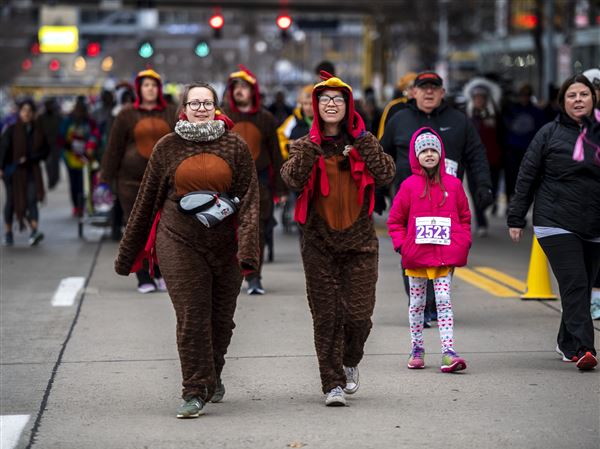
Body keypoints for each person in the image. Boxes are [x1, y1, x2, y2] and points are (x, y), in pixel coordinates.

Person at [114, 82, 260, 418]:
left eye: (206, 103)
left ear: (216, 106)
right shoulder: (167, 147)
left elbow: (250, 201)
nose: (201, 108)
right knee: (193, 316)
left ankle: (213, 372)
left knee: (221, 320)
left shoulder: (234, 145)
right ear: (184, 107)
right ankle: (194, 390)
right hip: (178, 240)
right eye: (194, 103)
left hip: (226, 244)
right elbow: (146, 201)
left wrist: (249, 251)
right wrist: (128, 256)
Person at [281, 71, 395, 407]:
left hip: (360, 245)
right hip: (319, 246)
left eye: (338, 99)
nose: (332, 104)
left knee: (359, 317)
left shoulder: (363, 140)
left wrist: (363, 141)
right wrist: (311, 149)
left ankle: (350, 360)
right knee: (326, 316)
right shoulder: (305, 143)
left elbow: (386, 173)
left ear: (348, 105)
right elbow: (292, 179)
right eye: (325, 100)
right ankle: (331, 382)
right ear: (316, 107)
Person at [380, 70, 493, 327]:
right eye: (423, 87)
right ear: (413, 92)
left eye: (434, 87)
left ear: (442, 92)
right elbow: (382, 156)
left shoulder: (459, 120)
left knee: (444, 252)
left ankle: (434, 303)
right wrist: (376, 192)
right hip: (410, 201)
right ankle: (419, 303)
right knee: (412, 252)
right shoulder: (399, 119)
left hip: (446, 202)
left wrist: (484, 186)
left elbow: (476, 154)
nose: (429, 91)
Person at [507, 74, 600, 371]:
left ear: (593, 99)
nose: (578, 100)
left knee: (583, 287)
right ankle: (586, 348)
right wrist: (516, 216)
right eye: (572, 95)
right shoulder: (549, 133)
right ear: (563, 102)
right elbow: (527, 176)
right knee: (575, 283)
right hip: (555, 220)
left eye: (584, 94)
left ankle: (566, 342)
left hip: (594, 222)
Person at [387, 128, 471, 372]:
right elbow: (395, 221)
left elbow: (465, 217)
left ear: (441, 153)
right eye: (424, 150)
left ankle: (448, 351)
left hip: (444, 256)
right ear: (416, 156)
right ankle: (417, 348)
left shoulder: (454, 185)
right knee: (417, 304)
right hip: (416, 257)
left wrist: (462, 241)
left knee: (444, 301)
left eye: (434, 149)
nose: (430, 154)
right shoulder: (409, 186)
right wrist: (403, 246)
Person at [100, 69, 177, 294]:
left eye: (154, 85)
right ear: (138, 90)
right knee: (137, 229)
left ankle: (161, 273)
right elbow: (114, 148)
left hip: (165, 183)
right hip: (131, 183)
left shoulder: (171, 113)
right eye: (146, 85)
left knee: (165, 229)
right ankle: (143, 277)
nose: (150, 89)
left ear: (159, 89)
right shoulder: (126, 115)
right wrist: (106, 179)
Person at [222, 65, 287, 294]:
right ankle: (229, 277)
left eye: (244, 87)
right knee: (226, 233)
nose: (240, 91)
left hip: (259, 184)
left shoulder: (265, 118)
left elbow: (275, 154)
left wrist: (279, 188)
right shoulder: (222, 116)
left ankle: (254, 277)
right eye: (236, 87)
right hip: (226, 184)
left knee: (256, 231)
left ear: (254, 90)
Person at [0, 99, 49, 246]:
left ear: (33, 113)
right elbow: (3, 149)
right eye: (24, 110)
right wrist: (1, 167)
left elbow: (45, 151)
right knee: (11, 202)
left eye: (29, 111)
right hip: (13, 173)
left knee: (32, 200)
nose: (26, 113)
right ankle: (8, 232)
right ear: (19, 112)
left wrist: (30, 158)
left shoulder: (38, 131)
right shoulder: (11, 130)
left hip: (32, 171)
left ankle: (34, 231)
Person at [464, 82, 503, 237]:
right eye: (476, 97)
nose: (479, 100)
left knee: (491, 189)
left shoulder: (494, 116)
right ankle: (481, 222)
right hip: (473, 162)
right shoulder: (466, 117)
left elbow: (502, 137)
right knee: (475, 191)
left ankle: (487, 205)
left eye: (482, 97)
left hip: (493, 160)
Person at [276, 84, 314, 233]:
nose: (308, 107)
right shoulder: (293, 120)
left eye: (311, 104)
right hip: (296, 169)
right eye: (305, 104)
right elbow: (279, 138)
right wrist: (287, 148)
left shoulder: (324, 120)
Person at [502, 83, 546, 203]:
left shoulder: (536, 112)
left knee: (528, 177)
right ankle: (509, 200)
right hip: (512, 148)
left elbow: (541, 130)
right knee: (511, 176)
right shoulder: (512, 110)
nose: (524, 98)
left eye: (526, 95)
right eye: (522, 95)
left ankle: (524, 200)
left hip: (529, 149)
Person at [58, 96, 100, 217]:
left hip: (86, 158)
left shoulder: (90, 122)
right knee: (74, 183)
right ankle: (76, 206)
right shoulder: (67, 121)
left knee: (86, 183)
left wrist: (90, 145)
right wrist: (71, 146)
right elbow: (60, 138)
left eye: (82, 110)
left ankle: (87, 205)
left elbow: (95, 134)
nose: (80, 112)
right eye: (78, 109)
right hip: (71, 158)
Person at [38, 97, 63, 190]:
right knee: (48, 163)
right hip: (46, 144)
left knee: (55, 163)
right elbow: (38, 129)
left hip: (56, 143)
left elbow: (62, 129)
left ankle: (55, 178)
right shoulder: (41, 117)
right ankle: (50, 181)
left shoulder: (58, 116)